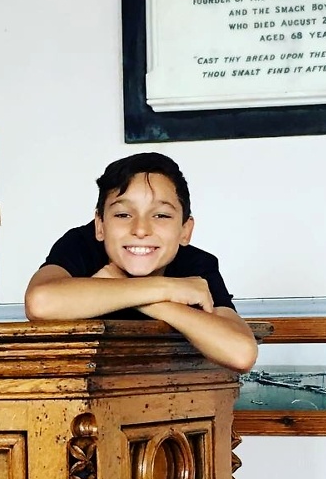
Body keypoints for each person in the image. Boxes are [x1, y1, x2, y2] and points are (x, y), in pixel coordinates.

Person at [24, 152, 257, 372]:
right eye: (123, 215)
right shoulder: (81, 244)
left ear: (185, 230)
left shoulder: (196, 264)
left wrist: (152, 302)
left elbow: (241, 353)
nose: (141, 229)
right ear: (100, 225)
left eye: (161, 215)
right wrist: (167, 288)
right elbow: (40, 303)